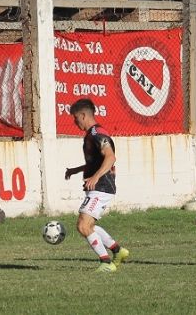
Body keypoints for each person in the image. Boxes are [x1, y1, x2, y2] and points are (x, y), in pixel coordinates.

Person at [64, 98, 129, 272]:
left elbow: (110, 157)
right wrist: (76, 170)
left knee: (83, 225)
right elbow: (97, 162)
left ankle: (106, 262)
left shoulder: (97, 134)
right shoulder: (91, 135)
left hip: (102, 187)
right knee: (89, 225)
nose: (75, 122)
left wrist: (95, 178)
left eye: (75, 118)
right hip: (99, 187)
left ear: (83, 115)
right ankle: (118, 250)